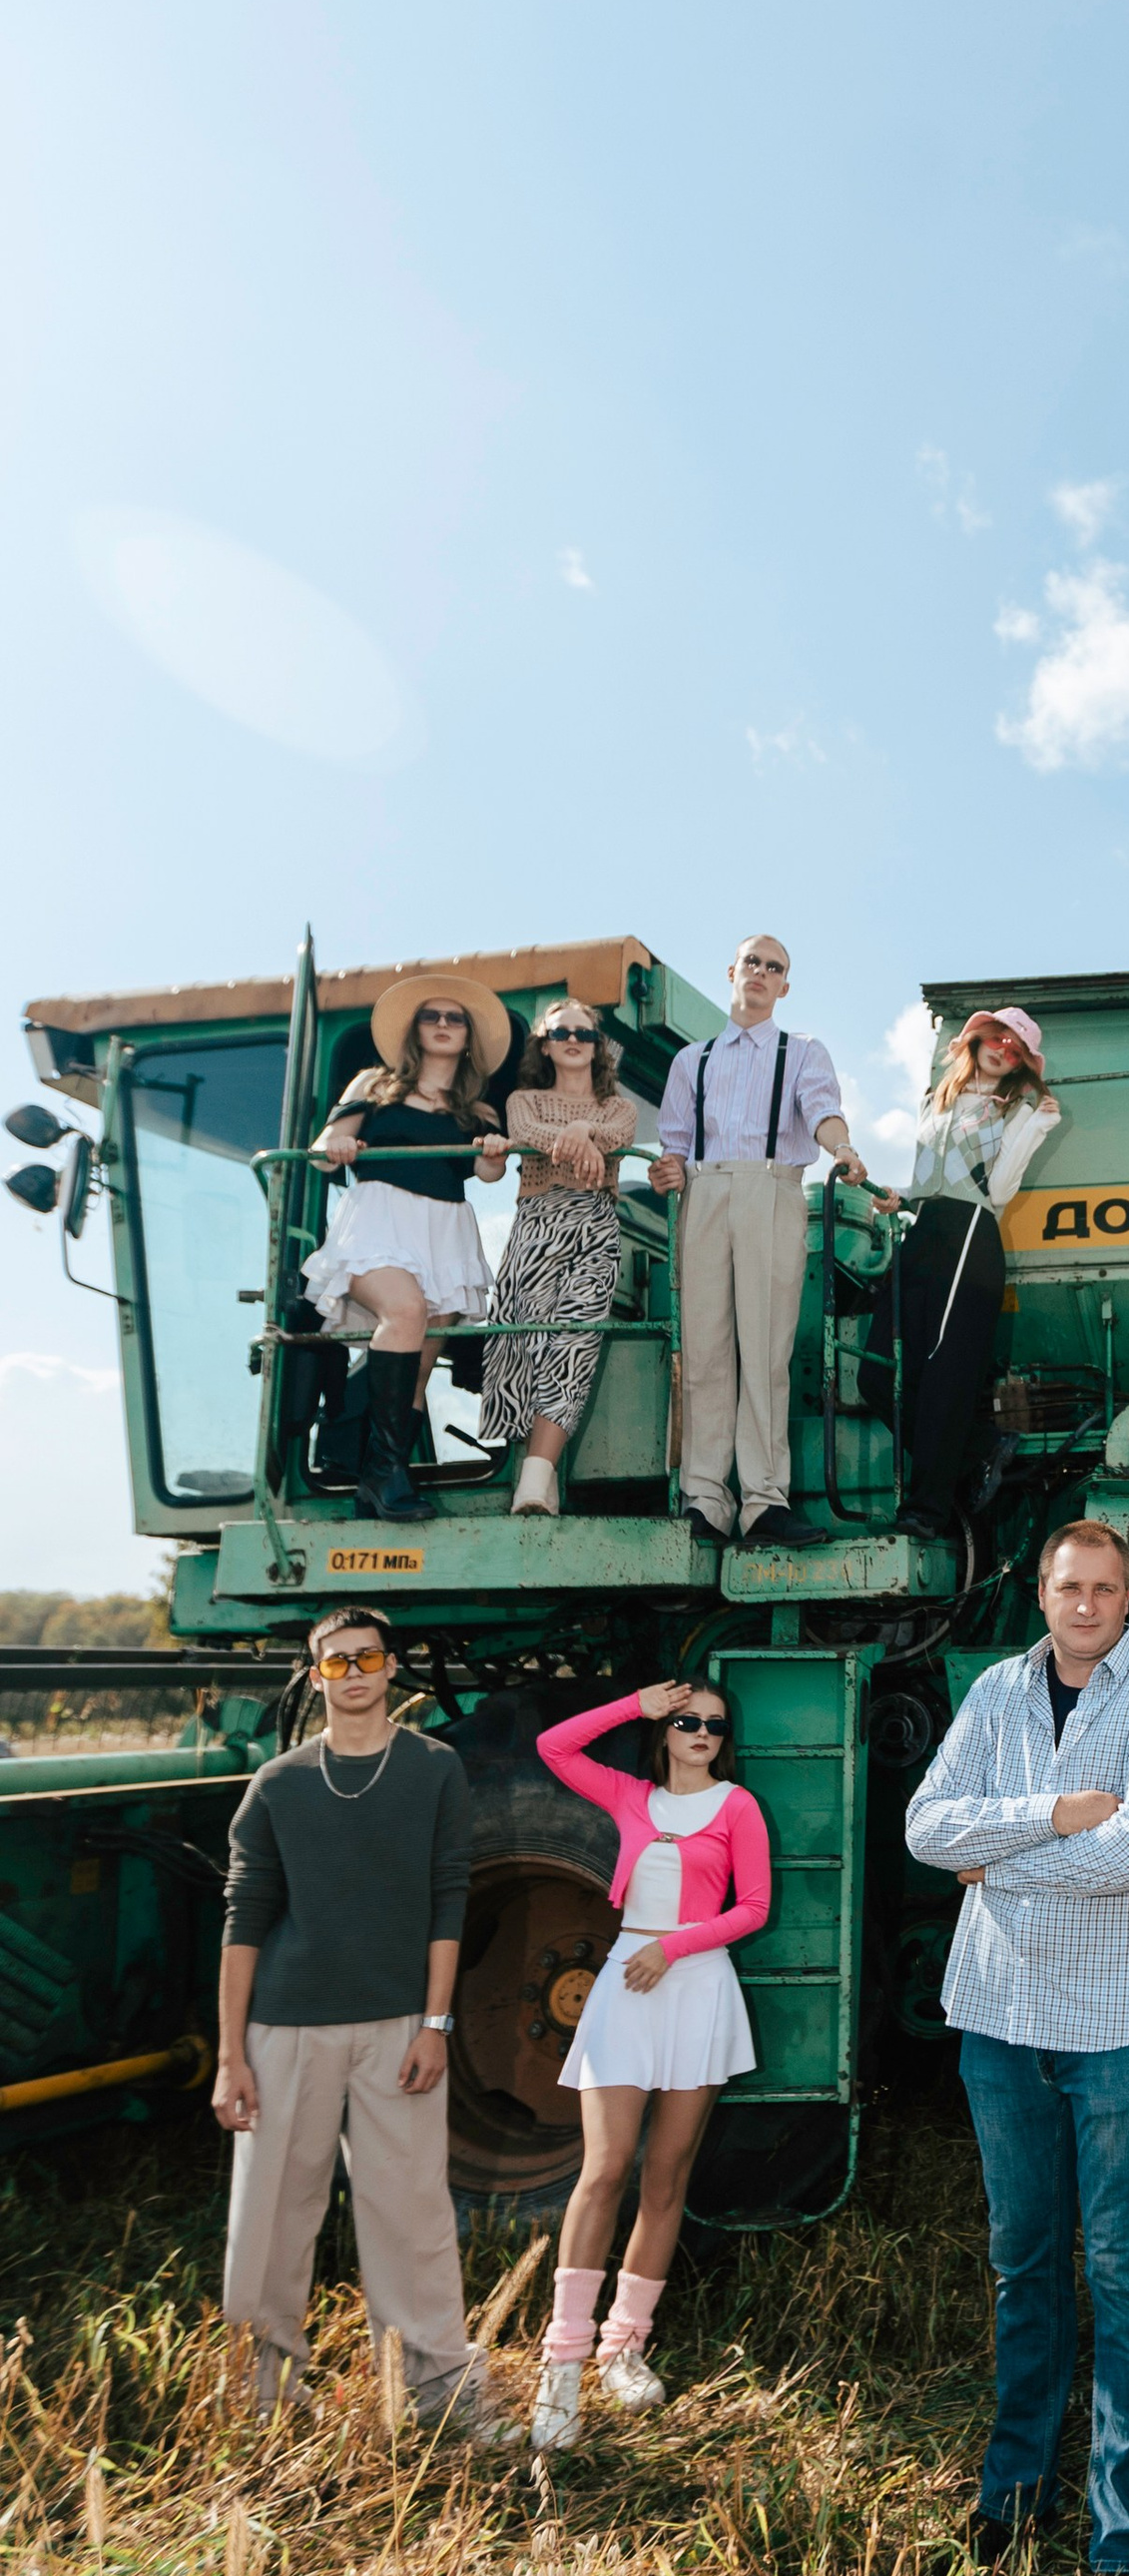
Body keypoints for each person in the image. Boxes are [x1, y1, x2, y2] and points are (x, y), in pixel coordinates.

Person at [903, 1520, 1129, 2576]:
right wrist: (1046, 1815)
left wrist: (999, 1862)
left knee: (1126, 2272)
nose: (1088, 1604)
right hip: (998, 2014)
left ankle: (1122, 2535)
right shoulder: (992, 1692)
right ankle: (1011, 2494)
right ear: (1041, 1592)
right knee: (1023, 2263)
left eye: (1108, 1588)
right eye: (1071, 1586)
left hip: (1121, 2024)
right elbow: (925, 1829)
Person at [211, 1610, 514, 2445]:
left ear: (392, 1668)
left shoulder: (433, 1769)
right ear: (315, 1676)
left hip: (399, 2028)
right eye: (335, 1660)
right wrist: (231, 2054)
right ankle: (261, 2404)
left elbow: (449, 1894)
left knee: (412, 2212)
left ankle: (441, 2396)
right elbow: (244, 1920)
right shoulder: (277, 1783)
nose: (352, 1671)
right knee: (269, 2217)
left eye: (367, 1657)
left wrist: (435, 2021)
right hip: (286, 2028)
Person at [525, 1675, 770, 2452]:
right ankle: (561, 2365)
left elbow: (754, 1907)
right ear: (668, 1727)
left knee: (666, 2175)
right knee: (604, 2168)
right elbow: (552, 1745)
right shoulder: (630, 1794)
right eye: (688, 1718)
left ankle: (623, 2348)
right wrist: (637, 1701)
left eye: (714, 1724)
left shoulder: (738, 1806)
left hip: (693, 1983)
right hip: (627, 1988)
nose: (701, 1731)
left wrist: (674, 1946)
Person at [647, 935, 865, 1552]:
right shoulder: (693, 1059)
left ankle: (765, 1500)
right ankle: (706, 1500)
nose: (762, 974)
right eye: (753, 963)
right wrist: (667, 1170)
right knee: (706, 1349)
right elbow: (674, 1145)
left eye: (776, 968)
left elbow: (822, 1109)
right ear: (732, 972)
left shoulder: (803, 1052)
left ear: (784, 987)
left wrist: (842, 1148)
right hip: (705, 1193)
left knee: (765, 1349)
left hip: (772, 1190)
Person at [303, 971, 511, 1520]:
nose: (443, 1025)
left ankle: (380, 1482)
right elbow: (324, 1152)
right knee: (403, 1309)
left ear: (467, 1036)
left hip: (442, 1231)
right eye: (431, 1016)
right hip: (379, 1221)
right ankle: (382, 1474)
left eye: (455, 1019)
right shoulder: (373, 1085)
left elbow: (489, 1172)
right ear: (415, 1030)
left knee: (419, 1365)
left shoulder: (477, 1109)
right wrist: (340, 1144)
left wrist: (493, 1149)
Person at [865, 1005, 1060, 1541]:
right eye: (997, 1037)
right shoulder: (935, 1098)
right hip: (922, 1228)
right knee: (876, 1374)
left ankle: (926, 1510)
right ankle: (978, 1450)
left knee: (941, 1379)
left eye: (1015, 1048)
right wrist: (898, 1197)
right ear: (976, 1038)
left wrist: (1035, 1124)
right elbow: (929, 1176)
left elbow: (996, 1192)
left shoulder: (1017, 1108)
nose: (1003, 1049)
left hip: (971, 1234)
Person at [481, 1000, 641, 1517]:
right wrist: (579, 1136)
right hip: (536, 1225)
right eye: (561, 1031)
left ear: (598, 1047)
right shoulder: (523, 1099)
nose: (573, 1039)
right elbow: (526, 1133)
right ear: (545, 1044)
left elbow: (618, 1136)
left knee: (574, 1344)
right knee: (526, 1346)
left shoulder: (619, 1108)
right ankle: (538, 1475)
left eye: (585, 1033)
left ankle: (532, 1479)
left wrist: (582, 1132)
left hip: (594, 1226)